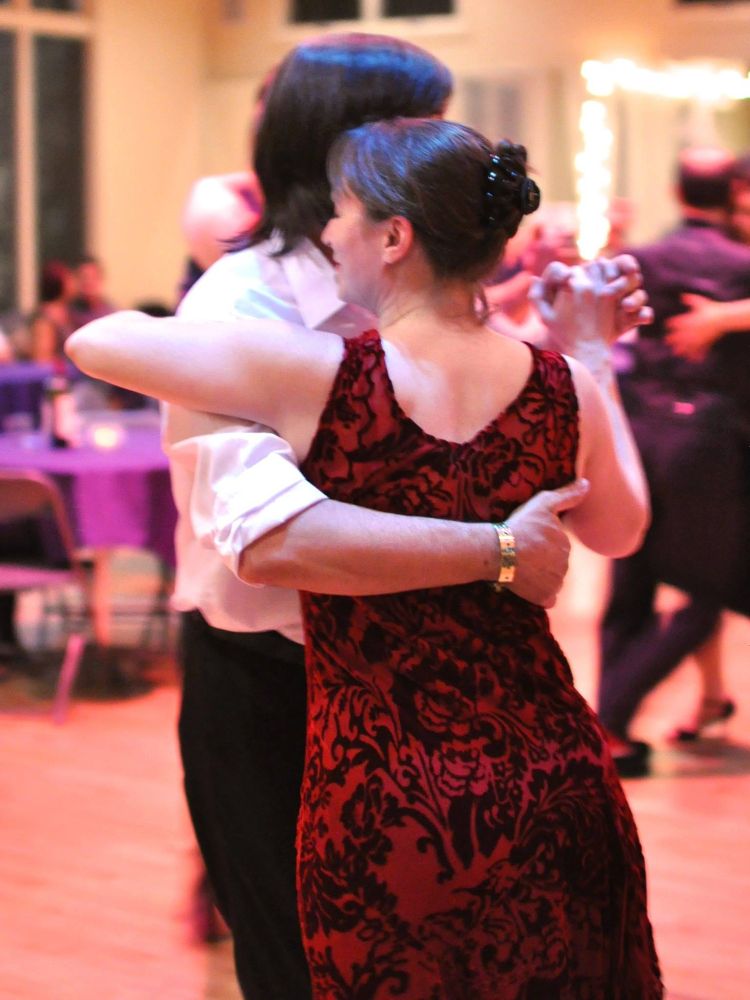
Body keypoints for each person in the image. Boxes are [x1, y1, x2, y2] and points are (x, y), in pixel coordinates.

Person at [68, 116, 661, 998]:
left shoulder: (323, 375)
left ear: (394, 236)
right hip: (554, 774)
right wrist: (588, 352)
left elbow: (98, 343)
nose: (327, 233)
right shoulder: (561, 382)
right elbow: (621, 532)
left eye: (342, 212)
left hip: (391, 797)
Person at [598, 147, 750, 771]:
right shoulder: (742, 265)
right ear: (736, 191)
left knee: (631, 585)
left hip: (640, 433)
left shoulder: (647, 261)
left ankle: (621, 726)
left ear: (676, 189)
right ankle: (609, 719)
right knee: (712, 587)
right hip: (706, 444)